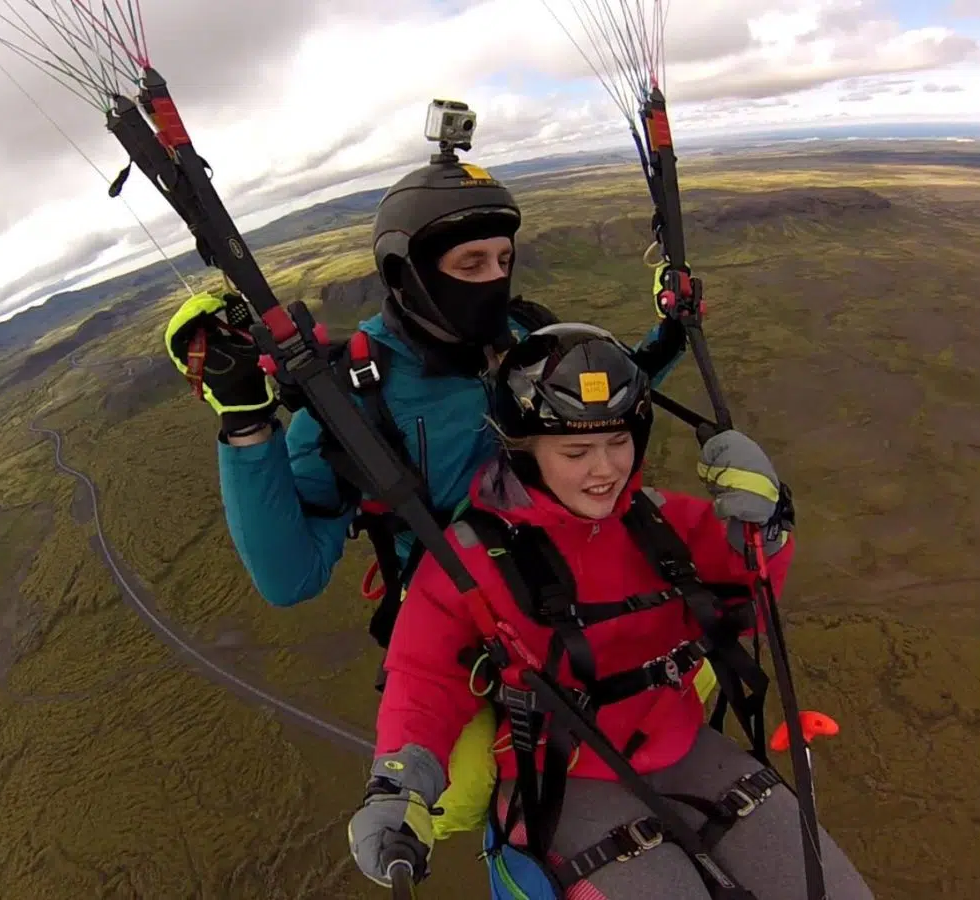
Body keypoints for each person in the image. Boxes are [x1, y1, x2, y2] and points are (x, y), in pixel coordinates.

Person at [164, 157, 696, 838]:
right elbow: (290, 576)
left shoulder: (519, 336)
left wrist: (670, 333)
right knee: (461, 795)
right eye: (470, 264)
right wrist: (244, 422)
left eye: (504, 259)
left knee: (683, 681)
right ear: (405, 273)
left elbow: (597, 398)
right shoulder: (354, 400)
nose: (495, 280)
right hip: (468, 629)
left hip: (570, 581)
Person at [345, 323, 874, 899]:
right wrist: (399, 786)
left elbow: (745, 594)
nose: (604, 470)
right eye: (576, 451)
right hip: (562, 780)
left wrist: (766, 529)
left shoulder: (660, 521)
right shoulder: (469, 560)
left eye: (618, 442)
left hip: (684, 746)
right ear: (520, 451)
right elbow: (425, 680)